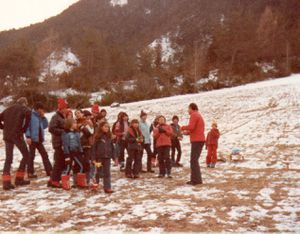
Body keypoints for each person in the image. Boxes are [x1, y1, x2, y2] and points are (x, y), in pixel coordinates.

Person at [0, 97, 31, 190]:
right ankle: (19, 179)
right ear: (24, 103)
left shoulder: (8, 109)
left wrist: (3, 127)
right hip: (17, 135)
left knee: (8, 159)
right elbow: (29, 113)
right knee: (26, 155)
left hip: (7, 136)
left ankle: (6, 183)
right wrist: (24, 129)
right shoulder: (23, 108)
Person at [26, 102, 52, 178]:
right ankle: (30, 173)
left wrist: (43, 117)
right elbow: (27, 127)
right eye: (41, 109)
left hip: (39, 139)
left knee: (44, 155)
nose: (42, 111)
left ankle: (49, 171)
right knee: (31, 156)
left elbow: (45, 126)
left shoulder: (39, 116)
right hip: (32, 139)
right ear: (38, 109)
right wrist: (28, 137)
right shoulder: (30, 115)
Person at [181, 103, 205, 185]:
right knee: (194, 160)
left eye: (188, 109)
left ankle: (196, 180)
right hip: (199, 139)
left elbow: (191, 127)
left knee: (193, 160)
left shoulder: (194, 115)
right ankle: (196, 179)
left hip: (197, 140)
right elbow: (194, 128)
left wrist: (182, 127)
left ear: (192, 108)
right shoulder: (198, 115)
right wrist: (187, 133)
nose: (188, 110)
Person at [48, 98, 69, 188]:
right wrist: (63, 131)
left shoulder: (61, 116)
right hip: (58, 143)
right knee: (58, 162)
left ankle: (52, 179)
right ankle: (55, 181)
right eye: (65, 107)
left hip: (62, 142)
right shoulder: (56, 116)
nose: (66, 109)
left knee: (59, 162)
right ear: (61, 108)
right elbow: (51, 128)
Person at [61, 118, 86, 190]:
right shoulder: (66, 133)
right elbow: (65, 145)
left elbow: (79, 143)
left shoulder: (77, 133)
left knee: (81, 165)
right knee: (68, 167)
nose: (76, 125)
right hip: (69, 152)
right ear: (70, 124)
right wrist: (67, 155)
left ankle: (80, 182)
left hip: (77, 152)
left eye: (76, 123)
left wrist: (81, 151)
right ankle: (65, 183)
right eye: (74, 123)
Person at [91, 121, 115, 193]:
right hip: (99, 158)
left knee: (107, 173)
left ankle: (107, 187)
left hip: (107, 157)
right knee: (98, 172)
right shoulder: (97, 137)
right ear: (101, 127)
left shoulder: (109, 137)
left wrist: (114, 157)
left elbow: (112, 147)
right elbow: (94, 148)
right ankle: (95, 185)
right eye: (105, 126)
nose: (107, 128)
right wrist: (93, 159)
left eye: (108, 127)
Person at [78, 110, 94, 183]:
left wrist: (82, 127)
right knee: (81, 163)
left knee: (88, 161)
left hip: (87, 144)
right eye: (76, 114)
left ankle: (89, 178)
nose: (77, 115)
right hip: (79, 145)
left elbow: (90, 132)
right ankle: (81, 179)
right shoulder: (75, 123)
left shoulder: (88, 122)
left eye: (79, 113)